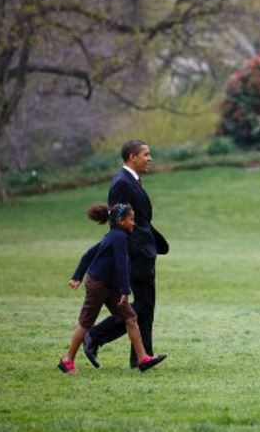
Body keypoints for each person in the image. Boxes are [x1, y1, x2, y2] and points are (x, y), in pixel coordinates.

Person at [82, 140, 168, 369]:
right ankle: (95, 336)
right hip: (135, 253)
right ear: (132, 157)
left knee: (146, 305)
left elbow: (140, 219)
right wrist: (133, 250)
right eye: (146, 154)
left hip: (144, 250)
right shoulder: (122, 182)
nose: (150, 158)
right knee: (142, 305)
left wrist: (155, 241)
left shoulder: (132, 181)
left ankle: (142, 357)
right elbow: (119, 222)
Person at [58, 203, 166, 374]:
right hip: (98, 285)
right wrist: (125, 290)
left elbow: (89, 254)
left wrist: (77, 277)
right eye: (131, 220)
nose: (134, 223)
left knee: (130, 317)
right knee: (86, 323)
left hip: (110, 284)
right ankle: (67, 361)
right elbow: (121, 265)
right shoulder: (118, 238)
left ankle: (143, 358)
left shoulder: (116, 235)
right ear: (121, 221)